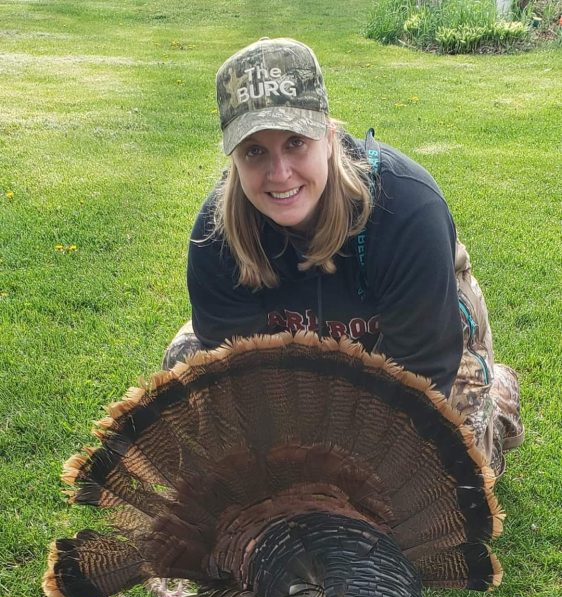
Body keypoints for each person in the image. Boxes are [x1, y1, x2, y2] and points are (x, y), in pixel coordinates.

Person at [164, 37, 523, 476]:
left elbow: (421, 384)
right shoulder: (215, 234)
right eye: (254, 151)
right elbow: (242, 386)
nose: (279, 173)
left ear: (329, 136)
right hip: (293, 341)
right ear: (234, 159)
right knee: (185, 362)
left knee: (449, 466)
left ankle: (497, 393)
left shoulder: (408, 209)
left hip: (403, 339)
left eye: (296, 142)